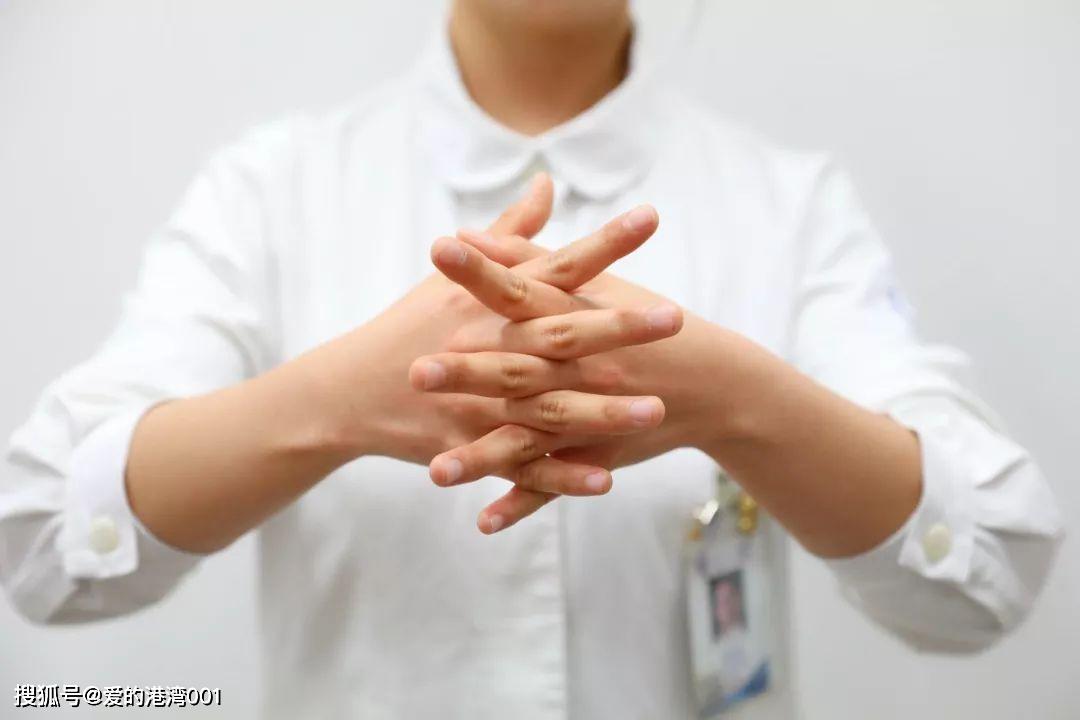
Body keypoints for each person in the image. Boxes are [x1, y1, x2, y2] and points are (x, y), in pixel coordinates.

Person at [0, 1, 1064, 718]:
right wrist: (339, 401)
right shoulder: (272, 190)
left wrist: (741, 400)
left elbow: (986, 577)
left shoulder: (790, 204)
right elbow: (45, 535)